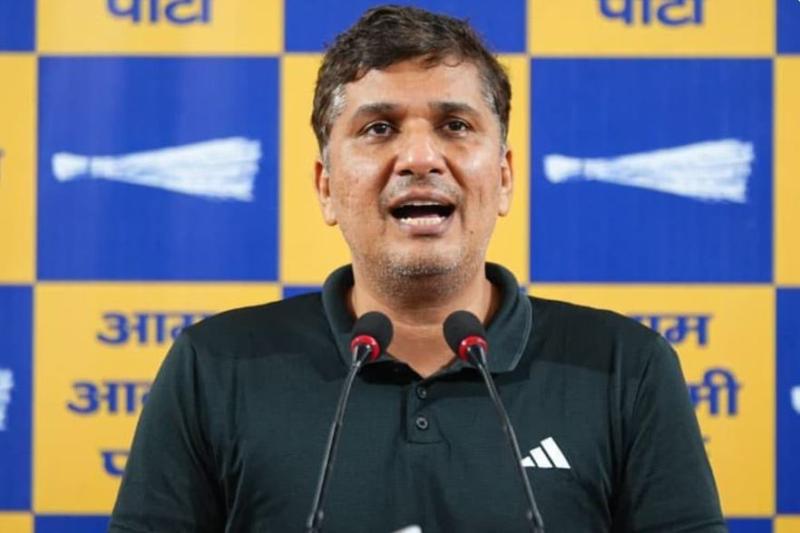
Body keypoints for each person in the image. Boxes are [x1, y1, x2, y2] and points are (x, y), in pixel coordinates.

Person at [109, 5, 725, 532]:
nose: (420, 158)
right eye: (379, 128)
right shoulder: (213, 366)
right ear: (326, 187)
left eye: (455, 126)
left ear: (504, 177)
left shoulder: (626, 368)